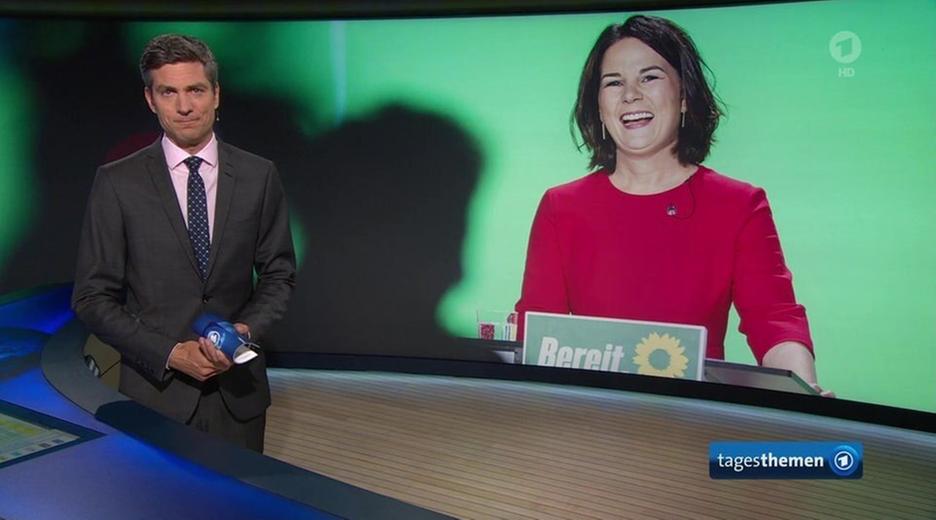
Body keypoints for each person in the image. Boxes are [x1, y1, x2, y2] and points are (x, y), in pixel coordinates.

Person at [515, 15, 831, 394]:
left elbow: (774, 321)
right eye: (613, 82)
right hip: (592, 413)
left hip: (694, 414)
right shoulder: (561, 207)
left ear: (683, 97)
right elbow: (537, 333)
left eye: (649, 77)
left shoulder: (739, 204)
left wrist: (804, 390)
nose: (630, 95)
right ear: (598, 106)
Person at [72, 34, 297, 451]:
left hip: (238, 396)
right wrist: (170, 353)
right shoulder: (118, 183)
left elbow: (279, 274)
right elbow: (92, 297)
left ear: (216, 94)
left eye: (195, 90)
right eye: (168, 92)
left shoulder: (258, 175)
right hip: (153, 396)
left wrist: (243, 331)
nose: (184, 106)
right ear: (150, 99)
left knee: (237, 493)